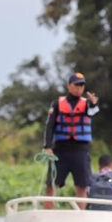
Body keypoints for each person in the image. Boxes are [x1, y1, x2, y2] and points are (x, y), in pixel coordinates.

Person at [43, 72, 100, 204]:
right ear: (69, 86)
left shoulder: (87, 104)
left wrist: (93, 104)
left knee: (81, 186)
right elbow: (50, 125)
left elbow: (92, 113)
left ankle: (81, 218)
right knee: (51, 185)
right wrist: (48, 146)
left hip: (80, 151)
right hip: (60, 151)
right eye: (76, 85)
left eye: (82, 85)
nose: (79, 88)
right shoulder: (57, 103)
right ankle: (47, 215)